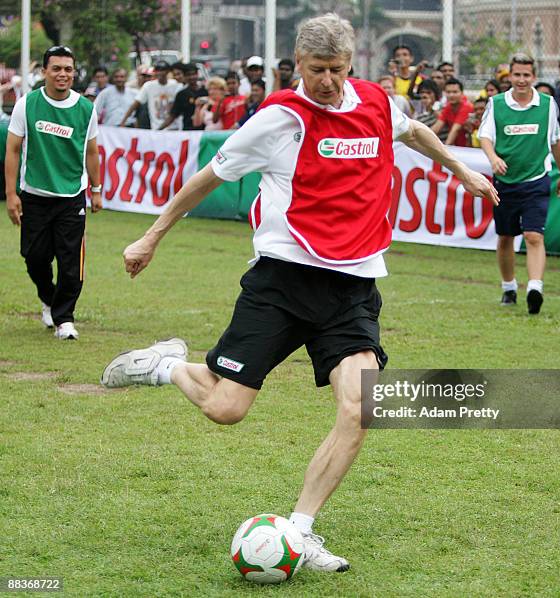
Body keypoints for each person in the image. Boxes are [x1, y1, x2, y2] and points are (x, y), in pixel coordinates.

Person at [100, 13, 497, 571]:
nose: (328, 81)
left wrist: (462, 170)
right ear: (298, 64)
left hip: (354, 284)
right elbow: (208, 177)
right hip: (283, 281)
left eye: (337, 69)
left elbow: (414, 131)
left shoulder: (376, 103)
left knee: (361, 407)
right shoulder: (278, 119)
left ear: (352, 63)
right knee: (226, 407)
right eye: (317, 70)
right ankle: (164, 366)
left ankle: (301, 529)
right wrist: (151, 235)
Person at [5, 45, 102, 340]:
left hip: (72, 196)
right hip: (34, 195)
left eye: (68, 69)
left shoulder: (86, 108)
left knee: (71, 262)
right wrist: (11, 194)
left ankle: (65, 319)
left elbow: (93, 151)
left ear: (74, 73)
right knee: (34, 257)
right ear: (44, 71)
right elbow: (12, 149)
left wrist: (96, 190)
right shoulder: (27, 104)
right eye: (57, 68)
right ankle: (48, 299)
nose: (63, 74)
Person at [478, 53, 560, 315]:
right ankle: (509, 286)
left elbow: (556, 140)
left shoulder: (547, 104)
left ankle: (535, 288)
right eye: (516, 75)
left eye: (526, 75)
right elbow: (484, 136)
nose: (521, 80)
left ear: (534, 77)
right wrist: (493, 158)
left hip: (536, 180)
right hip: (505, 183)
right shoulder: (497, 103)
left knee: (533, 235)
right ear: (510, 76)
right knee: (506, 236)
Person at [119, 61, 181, 130]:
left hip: (174, 128)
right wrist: (123, 121)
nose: (160, 73)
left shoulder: (175, 85)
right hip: (156, 128)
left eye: (162, 70)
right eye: (157, 70)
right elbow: (135, 104)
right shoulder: (149, 86)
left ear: (168, 71)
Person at [159, 63, 207, 130]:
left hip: (205, 132)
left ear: (197, 74)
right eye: (188, 75)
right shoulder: (181, 94)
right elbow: (173, 115)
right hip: (188, 132)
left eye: (193, 74)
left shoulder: (206, 91)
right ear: (184, 76)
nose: (192, 77)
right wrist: (158, 130)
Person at [431, 78, 473, 146]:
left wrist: (445, 149)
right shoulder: (448, 107)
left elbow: (455, 130)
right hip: (458, 148)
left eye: (455, 92)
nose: (451, 95)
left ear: (462, 93)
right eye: (448, 92)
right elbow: (436, 128)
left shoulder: (467, 107)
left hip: (471, 149)